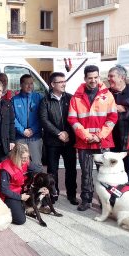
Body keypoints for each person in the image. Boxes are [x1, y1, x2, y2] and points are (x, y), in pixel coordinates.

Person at [68, 65, 118, 211]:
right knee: (86, 172)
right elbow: (72, 119)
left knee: (105, 173)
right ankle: (86, 200)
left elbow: (113, 117)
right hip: (84, 142)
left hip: (103, 142)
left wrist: (99, 136)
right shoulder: (76, 97)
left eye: (96, 77)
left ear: (99, 77)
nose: (93, 80)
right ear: (85, 79)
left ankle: (105, 201)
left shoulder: (107, 95)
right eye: (90, 78)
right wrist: (86, 136)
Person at [39, 72, 78, 205]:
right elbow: (44, 120)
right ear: (52, 84)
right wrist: (58, 133)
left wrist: (67, 133)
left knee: (71, 169)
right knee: (52, 170)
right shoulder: (45, 100)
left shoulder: (70, 98)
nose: (63, 84)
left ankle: (71, 194)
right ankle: (52, 194)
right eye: (60, 82)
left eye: (64, 81)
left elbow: (74, 117)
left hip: (68, 140)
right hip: (52, 141)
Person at [0, 142, 42, 225]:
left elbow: (38, 170)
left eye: (27, 157)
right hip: (9, 194)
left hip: (20, 190)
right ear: (16, 156)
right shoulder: (6, 168)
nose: (26, 160)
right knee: (20, 220)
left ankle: (20, 206)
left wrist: (44, 187)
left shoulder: (25, 162)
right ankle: (4, 210)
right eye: (23, 158)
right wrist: (20, 197)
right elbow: (4, 190)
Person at [12, 74, 44, 169]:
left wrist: (33, 130)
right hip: (20, 137)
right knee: (19, 165)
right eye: (27, 84)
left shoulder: (39, 98)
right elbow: (12, 118)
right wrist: (22, 131)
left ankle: (36, 183)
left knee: (36, 165)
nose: (30, 86)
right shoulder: (14, 100)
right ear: (21, 85)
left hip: (35, 137)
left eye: (31, 83)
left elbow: (42, 116)